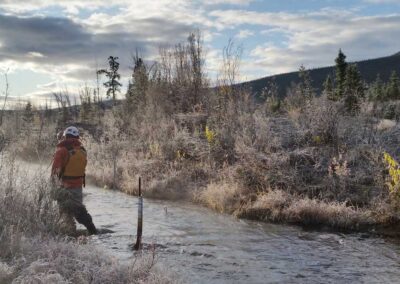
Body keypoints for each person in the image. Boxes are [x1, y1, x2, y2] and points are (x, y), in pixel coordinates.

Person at [51, 126, 97, 235]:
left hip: (64, 186)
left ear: (65, 136)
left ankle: (70, 235)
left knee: (65, 213)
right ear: (77, 137)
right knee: (79, 211)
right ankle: (92, 230)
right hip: (77, 187)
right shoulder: (82, 151)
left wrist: (53, 187)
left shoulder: (61, 151)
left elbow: (54, 171)